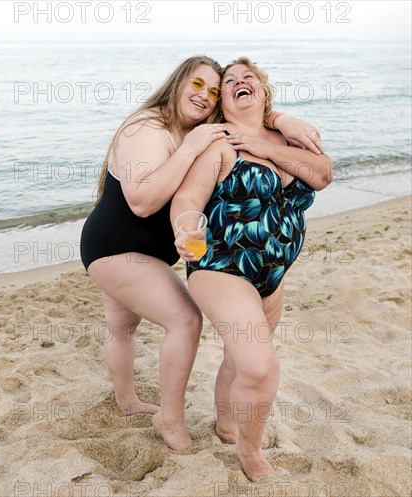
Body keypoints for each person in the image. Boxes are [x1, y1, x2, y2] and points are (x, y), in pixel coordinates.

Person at [80, 55, 324, 451]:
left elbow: (247, 110)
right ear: (177, 82)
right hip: (115, 248)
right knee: (186, 320)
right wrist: (190, 147)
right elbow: (141, 203)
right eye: (197, 84)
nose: (205, 95)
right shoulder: (148, 126)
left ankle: (126, 400)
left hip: (154, 252)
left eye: (212, 91)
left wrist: (280, 120)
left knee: (122, 327)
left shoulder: (202, 129)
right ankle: (169, 419)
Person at [170, 57, 333, 478]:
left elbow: (322, 173)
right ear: (222, 100)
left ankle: (226, 422)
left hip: (272, 278)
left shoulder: (287, 137)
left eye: (249, 78)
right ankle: (250, 452)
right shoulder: (218, 144)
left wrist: (265, 143)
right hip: (221, 267)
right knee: (261, 366)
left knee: (238, 360)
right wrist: (187, 227)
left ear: (263, 91)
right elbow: (187, 199)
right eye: (229, 82)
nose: (240, 83)